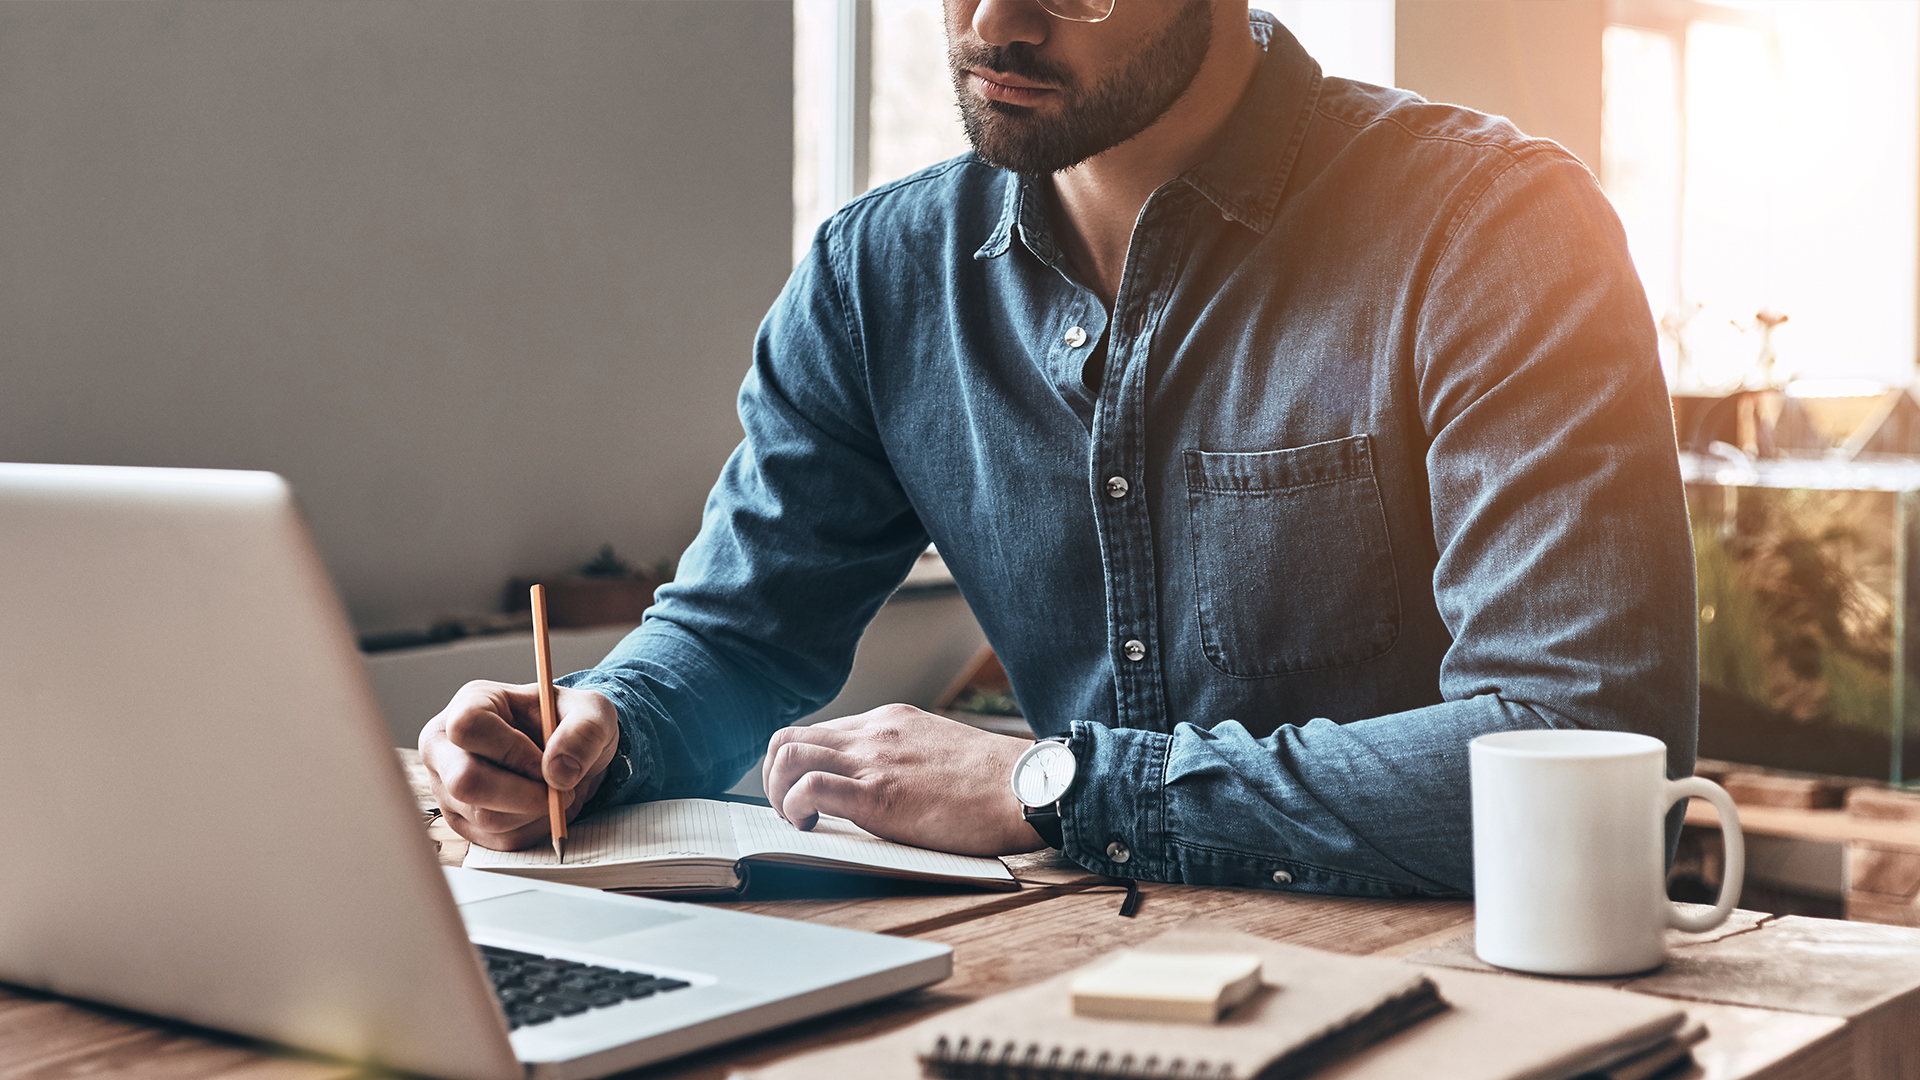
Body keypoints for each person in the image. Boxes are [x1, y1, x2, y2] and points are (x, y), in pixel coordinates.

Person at [419, 0, 1696, 898]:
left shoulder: (1495, 232)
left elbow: (1577, 734)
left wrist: (1055, 788)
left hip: (1453, 991)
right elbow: (735, 636)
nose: (994, 22)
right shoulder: (878, 277)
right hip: (1067, 978)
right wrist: (598, 729)